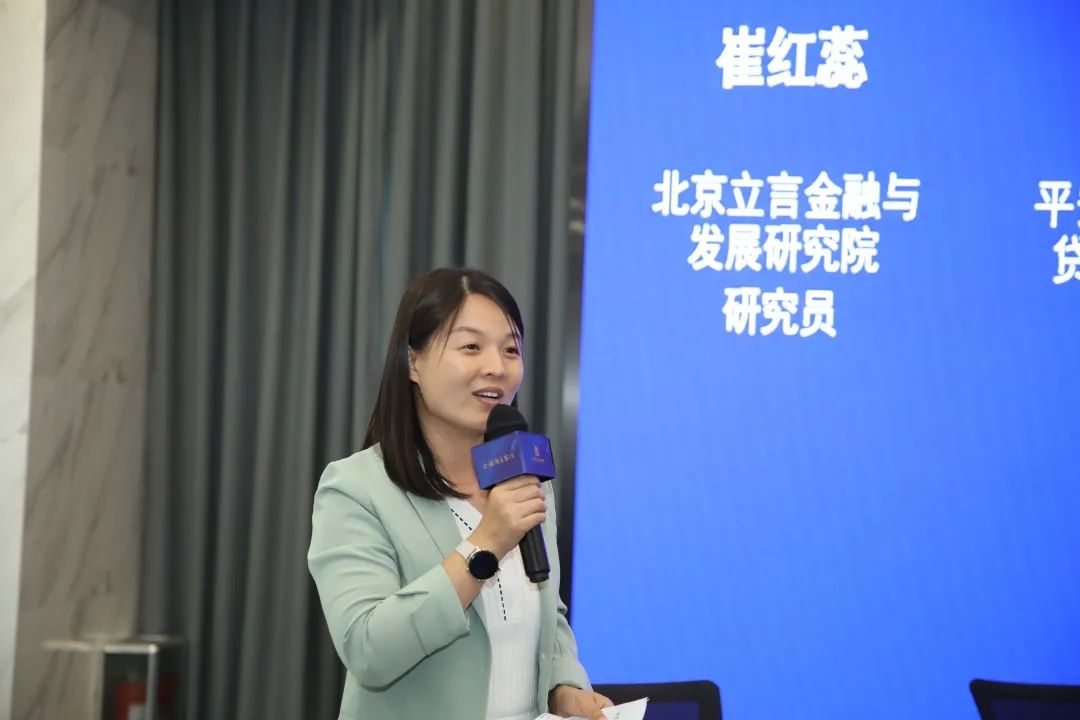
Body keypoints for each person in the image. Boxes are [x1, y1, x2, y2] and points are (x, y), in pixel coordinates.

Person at [308, 268, 612, 720]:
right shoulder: (356, 488)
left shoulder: (526, 475)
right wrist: (486, 543)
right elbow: (368, 649)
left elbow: (549, 614)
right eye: (471, 347)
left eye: (511, 349)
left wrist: (564, 687)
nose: (496, 367)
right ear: (413, 362)